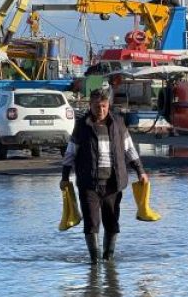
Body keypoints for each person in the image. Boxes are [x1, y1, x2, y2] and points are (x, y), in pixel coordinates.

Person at [60, 88, 149, 262]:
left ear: (108, 105)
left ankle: (108, 258)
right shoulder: (82, 126)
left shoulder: (118, 123)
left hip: (113, 183)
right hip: (89, 184)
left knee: (112, 223)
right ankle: (94, 261)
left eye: (103, 106)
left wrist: (141, 172)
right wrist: (64, 177)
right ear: (89, 105)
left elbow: (129, 149)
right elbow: (70, 152)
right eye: (96, 106)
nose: (100, 110)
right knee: (92, 224)